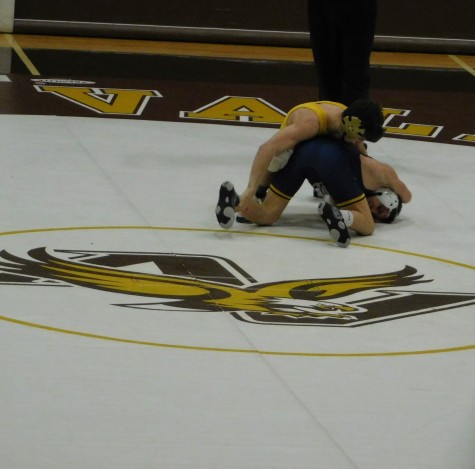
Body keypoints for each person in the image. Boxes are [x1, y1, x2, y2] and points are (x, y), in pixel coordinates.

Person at [215, 135, 411, 248]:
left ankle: (236, 202)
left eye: (378, 213)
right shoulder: (381, 173)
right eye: (381, 207)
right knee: (368, 226)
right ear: (386, 193)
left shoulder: (351, 185)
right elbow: (407, 196)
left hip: (303, 154)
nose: (374, 209)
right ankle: (341, 216)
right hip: (331, 159)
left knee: (268, 215)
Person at [237, 98, 385, 215]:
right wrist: (250, 188)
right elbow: (267, 147)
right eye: (361, 137)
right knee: (279, 160)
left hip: (328, 128)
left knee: (350, 153)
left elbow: (359, 147)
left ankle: (323, 185)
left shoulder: (348, 124)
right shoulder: (309, 124)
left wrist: (371, 166)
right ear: (351, 126)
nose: (360, 141)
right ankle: (258, 193)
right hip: (306, 123)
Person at [307, 0, 378, 105]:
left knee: (356, 74)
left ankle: (357, 117)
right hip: (321, 7)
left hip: (359, 7)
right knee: (326, 73)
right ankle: (329, 115)